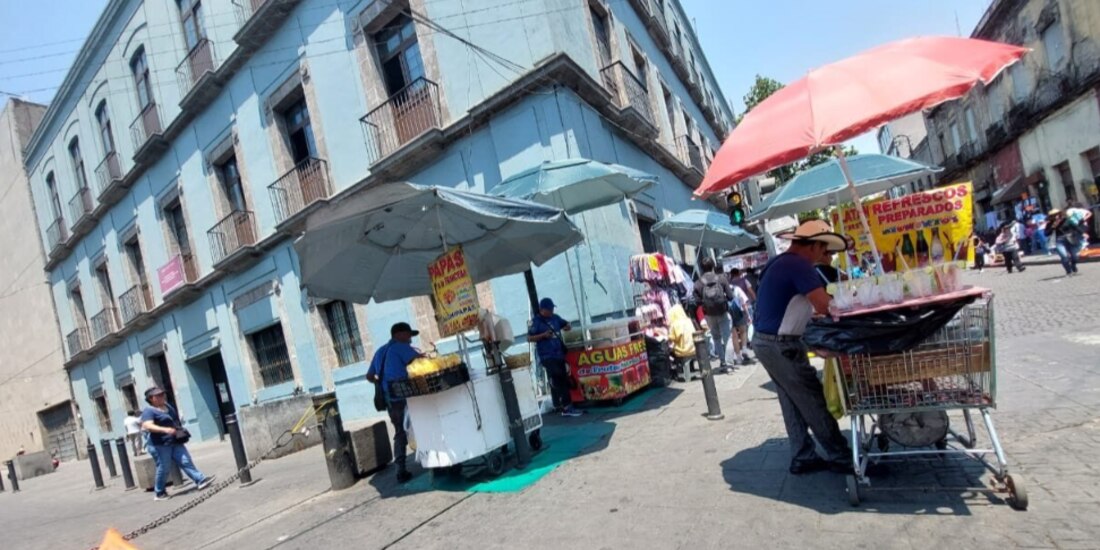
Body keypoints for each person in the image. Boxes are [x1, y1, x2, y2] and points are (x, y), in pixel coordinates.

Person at [751, 220, 852, 475]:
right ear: (813, 245)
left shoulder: (779, 261)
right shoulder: (799, 264)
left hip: (767, 341)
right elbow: (823, 305)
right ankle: (840, 455)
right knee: (811, 398)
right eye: (824, 250)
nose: (824, 256)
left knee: (792, 400)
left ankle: (802, 455)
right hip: (780, 344)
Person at [366, 322, 424, 483]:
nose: (410, 340)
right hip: (405, 398)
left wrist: (380, 383)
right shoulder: (401, 347)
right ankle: (430, 460)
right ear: (398, 334)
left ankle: (401, 469)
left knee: (400, 432)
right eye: (408, 335)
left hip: (390, 401)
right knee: (421, 425)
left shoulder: (380, 352)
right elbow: (421, 363)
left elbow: (369, 376)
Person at [141, 387, 215, 501]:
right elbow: (147, 425)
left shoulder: (168, 407)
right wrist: (164, 430)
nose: (162, 397)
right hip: (159, 444)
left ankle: (200, 480)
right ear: (151, 399)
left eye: (162, 394)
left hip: (174, 440)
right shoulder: (149, 411)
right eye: (158, 395)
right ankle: (159, 492)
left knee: (185, 460)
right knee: (164, 467)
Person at [529, 298, 582, 417]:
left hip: (559, 354)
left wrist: (568, 326)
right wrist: (543, 335)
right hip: (546, 355)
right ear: (543, 310)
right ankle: (567, 406)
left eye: (553, 308)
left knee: (560, 377)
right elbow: (529, 338)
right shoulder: (536, 322)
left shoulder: (555, 317)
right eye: (550, 309)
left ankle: (558, 404)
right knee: (558, 377)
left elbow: (566, 324)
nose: (552, 310)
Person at [693, 257, 735, 371]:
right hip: (723, 312)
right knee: (727, 338)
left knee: (716, 338)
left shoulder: (698, 283)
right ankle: (730, 364)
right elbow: (731, 297)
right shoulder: (721, 278)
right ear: (713, 266)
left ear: (701, 268)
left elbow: (697, 302)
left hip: (709, 315)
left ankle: (722, 362)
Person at [1045, 208, 1089, 276]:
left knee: (1075, 257)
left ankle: (1073, 265)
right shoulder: (1050, 224)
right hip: (1059, 240)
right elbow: (1046, 233)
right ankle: (1068, 271)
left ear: (1060, 214)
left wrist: (1083, 233)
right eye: (1053, 215)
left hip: (1070, 238)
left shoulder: (1066, 220)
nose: (1056, 216)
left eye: (1057, 214)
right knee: (1064, 256)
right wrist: (1053, 227)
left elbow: (1075, 227)